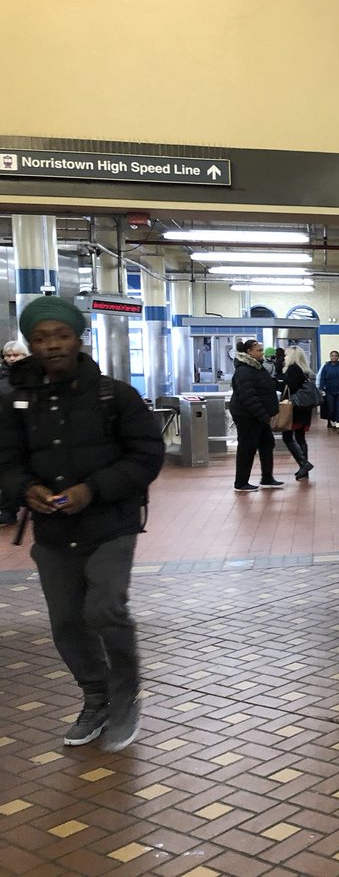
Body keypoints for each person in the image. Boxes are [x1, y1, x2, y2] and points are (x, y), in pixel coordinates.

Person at [0, 296, 164, 751]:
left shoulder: (115, 395)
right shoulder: (14, 401)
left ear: (79, 337)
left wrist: (91, 489)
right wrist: (24, 489)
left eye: (61, 335)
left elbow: (146, 457)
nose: (51, 345)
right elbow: (6, 461)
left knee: (104, 608)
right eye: (40, 338)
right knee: (67, 621)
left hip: (112, 522)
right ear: (30, 344)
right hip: (53, 531)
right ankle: (95, 697)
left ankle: (124, 693)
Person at [228, 339, 284, 492]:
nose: (261, 352)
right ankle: (241, 483)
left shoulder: (257, 368)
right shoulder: (244, 371)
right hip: (248, 416)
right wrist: (264, 415)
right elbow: (249, 397)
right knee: (247, 447)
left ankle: (267, 478)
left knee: (267, 444)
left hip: (259, 416)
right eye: (258, 350)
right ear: (249, 352)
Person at [0, 339, 30, 526]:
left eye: (15, 355)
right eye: (8, 355)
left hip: (30, 430)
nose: (12, 359)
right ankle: (8, 509)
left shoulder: (34, 377)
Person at [281, 346, 317, 481]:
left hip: (294, 409)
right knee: (300, 437)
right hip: (305, 409)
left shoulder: (292, 369)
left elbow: (290, 387)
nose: (284, 358)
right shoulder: (304, 370)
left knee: (287, 437)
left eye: (286, 355)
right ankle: (304, 467)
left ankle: (304, 463)